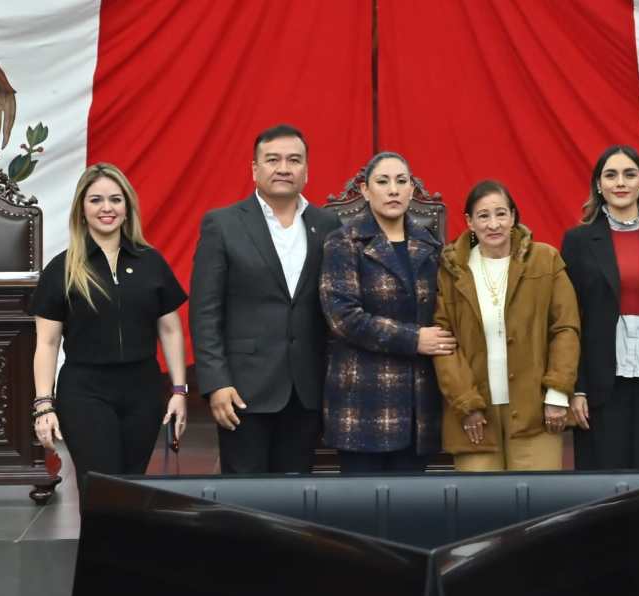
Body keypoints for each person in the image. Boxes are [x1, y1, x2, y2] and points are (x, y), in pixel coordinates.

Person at [190, 124, 341, 474]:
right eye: (272, 160)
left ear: (307, 170)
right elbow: (204, 311)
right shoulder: (223, 224)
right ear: (255, 169)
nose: (284, 168)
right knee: (245, 502)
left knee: (297, 499)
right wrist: (216, 383)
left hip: (306, 389)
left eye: (294, 160)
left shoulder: (328, 225)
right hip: (243, 390)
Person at [30, 163, 188, 496]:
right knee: (101, 491)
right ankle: (99, 550)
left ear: (127, 208)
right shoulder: (61, 268)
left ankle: (124, 550)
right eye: (96, 200)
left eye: (116, 200)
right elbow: (46, 343)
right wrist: (44, 405)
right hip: (85, 391)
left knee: (131, 490)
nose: (107, 208)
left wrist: (179, 391)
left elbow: (171, 331)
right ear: (81, 210)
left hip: (143, 391)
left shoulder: (151, 262)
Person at [434, 180, 580, 471]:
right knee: (481, 510)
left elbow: (565, 329)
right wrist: (466, 404)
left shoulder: (545, 259)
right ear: (469, 222)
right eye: (483, 216)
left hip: (536, 411)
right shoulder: (452, 270)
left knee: (539, 506)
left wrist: (557, 393)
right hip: (475, 416)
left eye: (501, 214)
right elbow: (443, 341)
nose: (493, 224)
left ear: (513, 216)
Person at [319, 152, 452, 472]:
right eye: (383, 181)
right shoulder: (343, 242)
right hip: (363, 402)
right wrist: (414, 339)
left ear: (411, 191)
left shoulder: (430, 244)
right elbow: (343, 318)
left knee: (411, 513)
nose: (393, 189)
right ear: (365, 190)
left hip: (419, 405)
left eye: (401, 181)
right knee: (360, 514)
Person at [560, 145, 639, 470]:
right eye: (611, 175)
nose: (620, 183)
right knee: (603, 481)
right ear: (598, 185)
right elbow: (568, 321)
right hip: (600, 383)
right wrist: (577, 389)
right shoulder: (578, 241)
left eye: (630, 174)